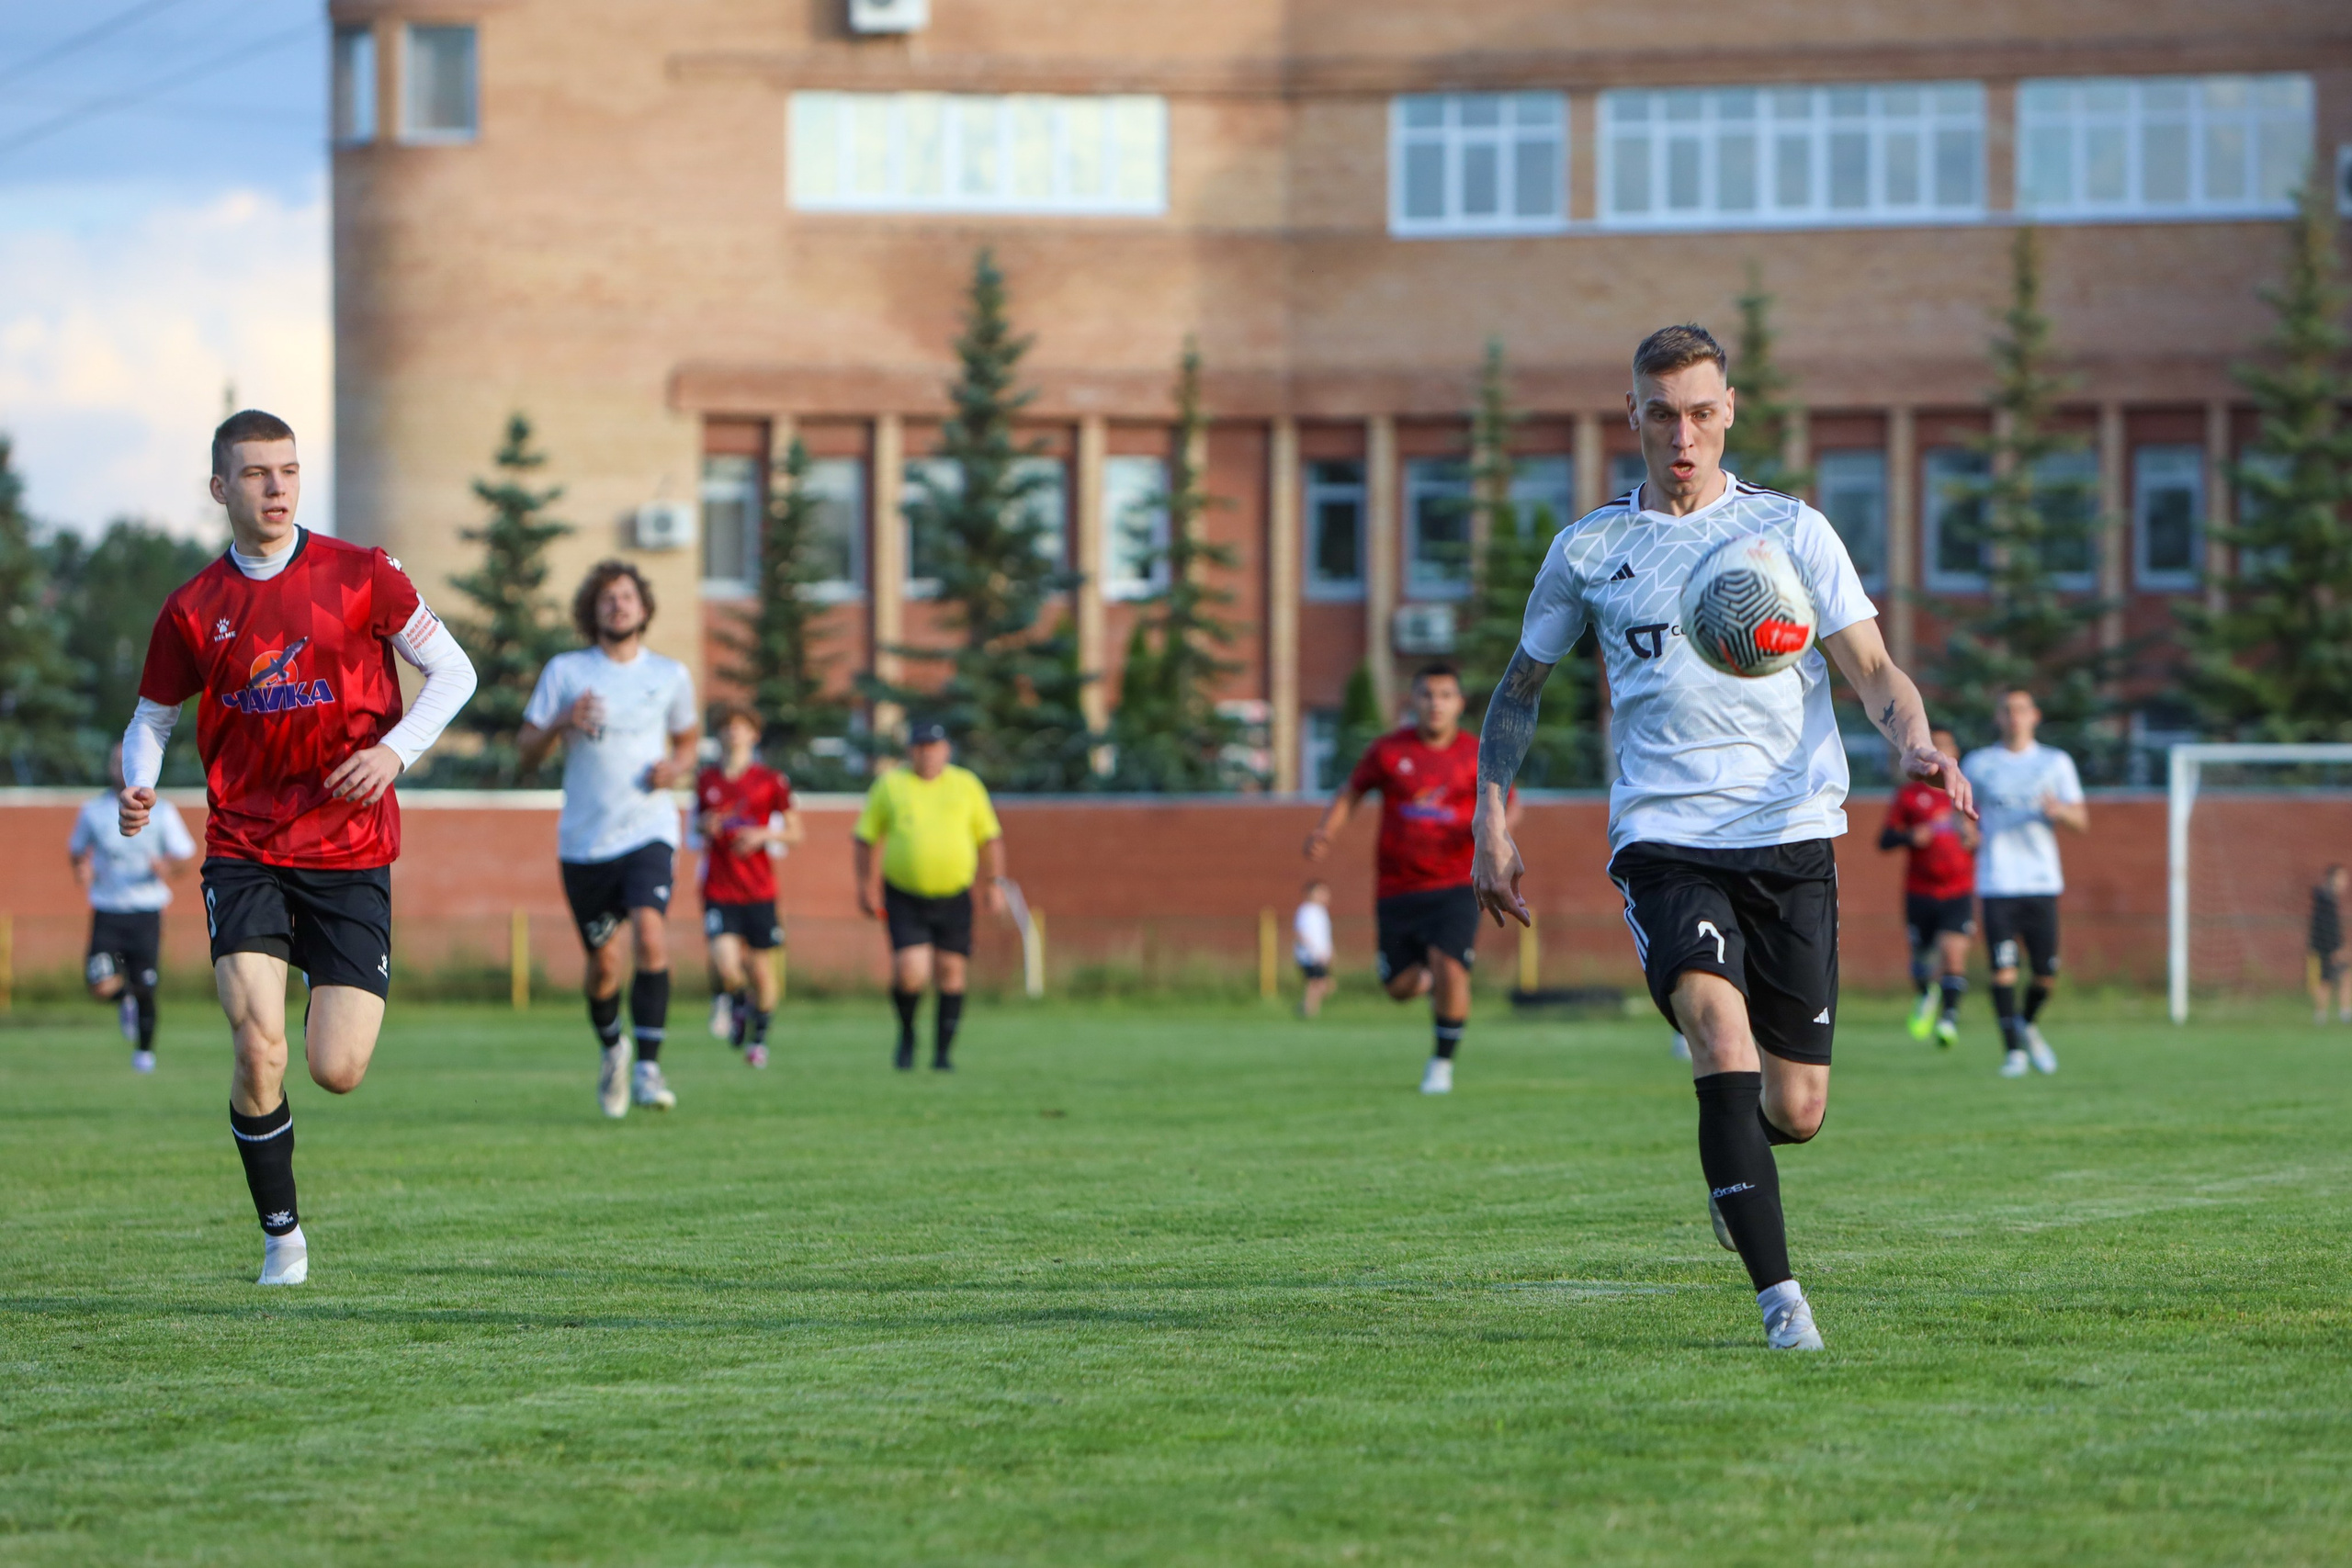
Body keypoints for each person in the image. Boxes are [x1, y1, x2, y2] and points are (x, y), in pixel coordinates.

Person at [1468, 323, 1972, 1352]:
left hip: (1789, 838)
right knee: (1717, 1036)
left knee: (1793, 1110)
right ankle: (1783, 1307)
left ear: (1729, 411)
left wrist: (1916, 744)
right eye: (1662, 415)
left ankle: (1734, 1161)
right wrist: (1489, 813)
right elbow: (1520, 686)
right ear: (1634, 419)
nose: (1682, 436)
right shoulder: (1592, 550)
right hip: (1663, 839)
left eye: (1701, 413)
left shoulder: (1791, 532)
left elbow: (1873, 671)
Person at [118, 408, 476, 1285]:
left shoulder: (363, 574)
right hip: (244, 845)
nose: (276, 487)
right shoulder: (194, 608)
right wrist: (136, 779)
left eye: (287, 470)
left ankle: (322, 1018)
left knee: (336, 1068)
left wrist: (395, 752)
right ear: (219, 489)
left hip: (351, 850)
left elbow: (456, 671)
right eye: (254, 473)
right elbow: (152, 718)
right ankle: (283, 1235)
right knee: (258, 1047)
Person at [518, 562, 699, 1118]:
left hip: (648, 828)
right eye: (606, 599)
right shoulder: (567, 671)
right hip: (585, 841)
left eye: (627, 597)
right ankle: (614, 1051)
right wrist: (561, 722)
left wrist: (678, 768)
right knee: (604, 967)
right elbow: (526, 750)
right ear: (591, 611)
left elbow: (689, 740)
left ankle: (649, 1069)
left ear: (643, 608)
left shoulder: (670, 674)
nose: (618, 606)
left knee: (651, 934)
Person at [1306, 661, 1506, 1095]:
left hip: (1455, 884)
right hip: (1397, 889)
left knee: (1452, 965)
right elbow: (1351, 791)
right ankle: (1430, 978)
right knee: (1398, 987)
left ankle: (1441, 1065)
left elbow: (1507, 804)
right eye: (1427, 695)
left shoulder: (1479, 753)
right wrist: (1326, 830)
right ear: (1412, 700)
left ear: (1459, 703)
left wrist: (1497, 840)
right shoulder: (1388, 752)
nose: (1436, 704)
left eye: (1445, 695)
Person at [853, 721, 1004, 1072]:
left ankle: (943, 1054)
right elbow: (865, 836)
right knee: (911, 972)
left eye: (934, 746)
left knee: (951, 971)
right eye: (921, 746)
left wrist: (994, 881)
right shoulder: (891, 786)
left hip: (954, 895)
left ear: (946, 750)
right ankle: (907, 1035)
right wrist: (865, 884)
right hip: (905, 895)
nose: (928, 753)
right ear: (911, 751)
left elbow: (990, 836)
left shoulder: (966, 785)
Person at [1961, 689, 2086, 1078]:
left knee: (2046, 974)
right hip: (1998, 880)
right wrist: (1967, 831)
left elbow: (2082, 821)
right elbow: (1962, 813)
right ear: (1998, 717)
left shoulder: (2055, 762)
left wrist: (2060, 811)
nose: (2014, 717)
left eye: (2021, 710)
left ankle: (2026, 1025)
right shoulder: (1980, 763)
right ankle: (2013, 1053)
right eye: (2007, 710)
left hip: (2041, 881)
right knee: (2003, 971)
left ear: (2035, 716)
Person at [71, 741, 198, 1072]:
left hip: (146, 911)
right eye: (115, 761)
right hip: (108, 909)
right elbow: (76, 850)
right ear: (110, 767)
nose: (120, 767)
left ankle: (144, 1053)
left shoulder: (163, 811)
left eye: (125, 761)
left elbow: (185, 854)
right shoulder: (93, 811)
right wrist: (81, 868)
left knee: (147, 985)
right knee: (99, 982)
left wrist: (166, 869)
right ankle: (122, 998)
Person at [695, 703, 801, 1068]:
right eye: (726, 727)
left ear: (753, 734)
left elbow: (796, 831)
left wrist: (762, 834)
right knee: (726, 964)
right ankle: (738, 1005)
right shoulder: (706, 780)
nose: (733, 733)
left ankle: (759, 1041)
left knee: (762, 972)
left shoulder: (769, 781)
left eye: (741, 727)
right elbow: (694, 828)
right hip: (719, 888)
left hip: (758, 889)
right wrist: (704, 826)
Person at [1880, 725, 1978, 1048]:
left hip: (1958, 889)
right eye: (1935, 747)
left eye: (1947, 747)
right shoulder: (1909, 795)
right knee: (1921, 960)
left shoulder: (1966, 791)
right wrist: (1911, 836)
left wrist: (1975, 839)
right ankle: (1926, 992)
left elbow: (1982, 834)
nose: (1941, 753)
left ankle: (1949, 1019)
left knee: (1953, 954)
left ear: (1957, 754)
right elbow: (1885, 839)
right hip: (1919, 890)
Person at [2309, 865, 2347, 1024]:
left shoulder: (2328, 898)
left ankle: (2339, 1013)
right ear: (2333, 879)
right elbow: (2326, 926)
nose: (2345, 882)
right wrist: (2336, 948)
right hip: (2327, 948)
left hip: (2326, 946)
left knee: (2343, 977)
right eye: (2342, 878)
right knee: (2328, 980)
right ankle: (2327, 1014)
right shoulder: (2326, 899)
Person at [1294, 879, 1336, 1018]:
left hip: (1322, 955)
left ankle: (1306, 1008)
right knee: (1317, 983)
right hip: (1310, 955)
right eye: (1321, 892)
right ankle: (1309, 1011)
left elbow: (1324, 935)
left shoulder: (1321, 911)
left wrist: (1329, 951)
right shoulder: (1306, 911)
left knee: (1321, 985)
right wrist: (1314, 952)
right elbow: (1302, 933)